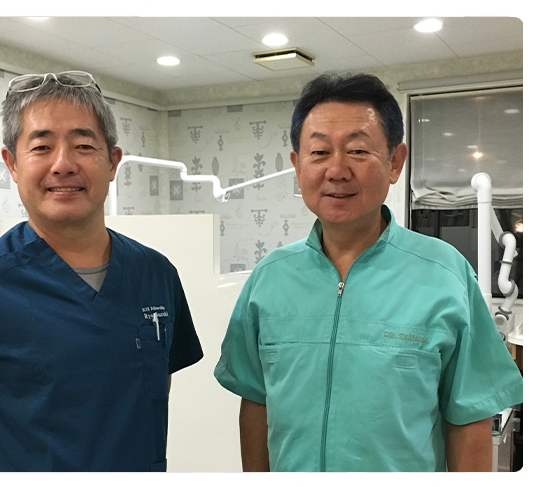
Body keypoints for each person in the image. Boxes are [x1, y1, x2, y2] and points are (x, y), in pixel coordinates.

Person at [214, 73, 523, 472]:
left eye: (358, 151)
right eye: (319, 152)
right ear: (297, 165)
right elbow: (256, 403)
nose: (337, 170)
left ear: (395, 162)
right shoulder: (269, 279)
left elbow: (470, 415)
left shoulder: (444, 275)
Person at [0, 71, 203, 472]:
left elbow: (149, 395)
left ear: (113, 162)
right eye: (42, 147)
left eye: (83, 145)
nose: (63, 164)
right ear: (12, 164)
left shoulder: (155, 274)